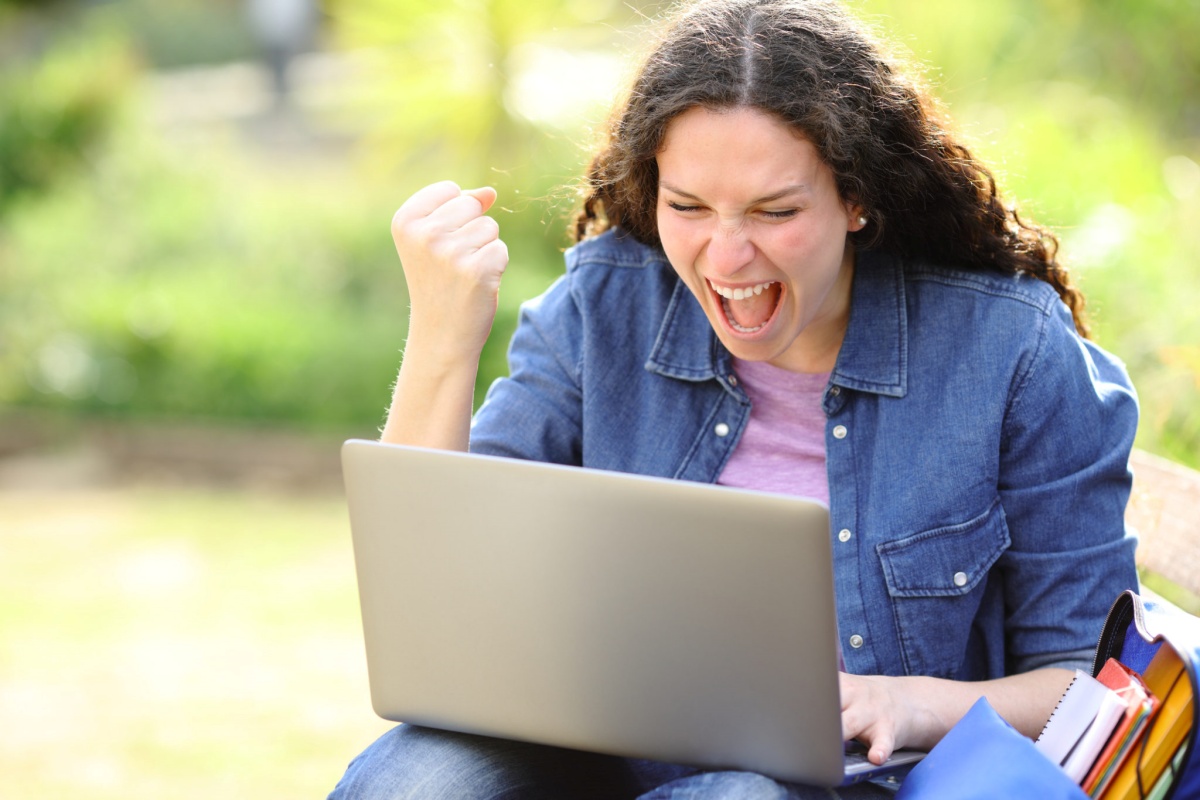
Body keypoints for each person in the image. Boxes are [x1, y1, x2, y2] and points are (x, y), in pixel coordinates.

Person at [329, 0, 1140, 797]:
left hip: (840, 783)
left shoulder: (1008, 351)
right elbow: (437, 592)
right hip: (594, 759)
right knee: (415, 778)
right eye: (687, 206)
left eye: (774, 211)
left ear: (857, 199)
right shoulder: (605, 305)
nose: (725, 254)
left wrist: (911, 702)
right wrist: (444, 333)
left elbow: (1097, 688)